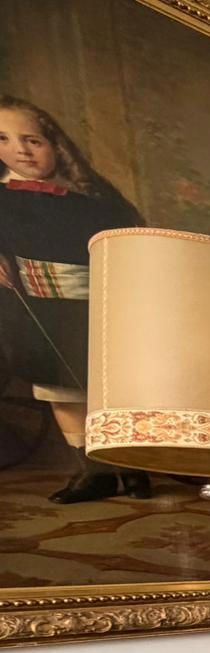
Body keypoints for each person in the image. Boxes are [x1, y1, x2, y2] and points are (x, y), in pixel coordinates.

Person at [0, 97, 148, 503]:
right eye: (4, 140)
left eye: (33, 140)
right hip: (37, 308)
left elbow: (129, 239)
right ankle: (94, 472)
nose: (21, 151)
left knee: (113, 390)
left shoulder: (92, 198)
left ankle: (133, 467)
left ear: (56, 144)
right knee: (61, 391)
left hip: (101, 306)